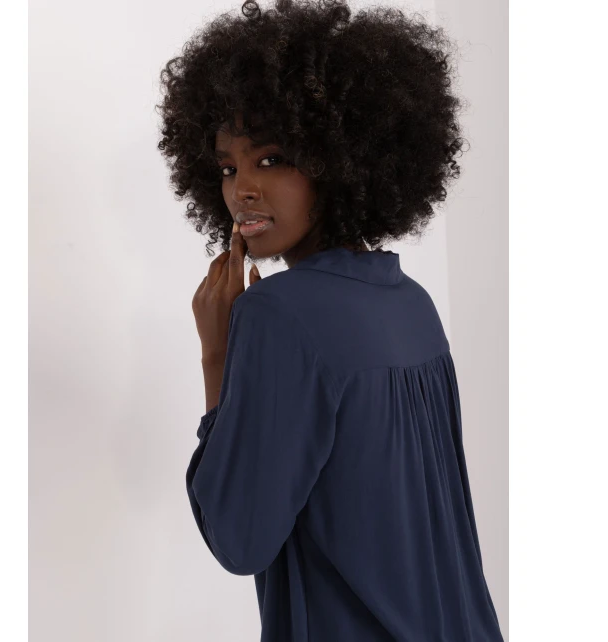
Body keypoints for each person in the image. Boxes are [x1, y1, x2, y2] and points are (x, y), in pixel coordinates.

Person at [156, 1, 504, 640]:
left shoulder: (277, 313)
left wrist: (217, 356)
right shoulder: (410, 301)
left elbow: (238, 536)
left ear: (337, 162)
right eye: (228, 167)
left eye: (270, 159)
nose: (241, 189)